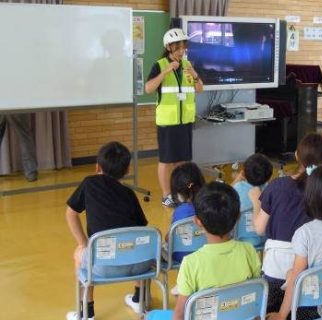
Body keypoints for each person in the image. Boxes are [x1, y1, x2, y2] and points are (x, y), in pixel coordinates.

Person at [249, 132, 322, 318]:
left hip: (277, 272)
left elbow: (259, 229)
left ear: (297, 155)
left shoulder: (277, 186)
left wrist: (257, 203)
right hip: (314, 275)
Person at [64, 142, 149, 320]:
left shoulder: (89, 184)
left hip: (102, 267)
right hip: (138, 267)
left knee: (79, 254)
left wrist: (84, 244)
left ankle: (87, 312)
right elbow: (142, 230)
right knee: (141, 247)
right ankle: (139, 299)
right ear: (127, 170)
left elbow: (71, 214)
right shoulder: (129, 194)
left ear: (97, 167)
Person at [267, 165, 322, 320]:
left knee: (272, 300)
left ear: (311, 197)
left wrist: (281, 315)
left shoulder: (305, 233)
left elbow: (296, 279)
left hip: (311, 305)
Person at [172, 182, 262, 320]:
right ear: (238, 217)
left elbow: (179, 315)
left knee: (151, 315)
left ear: (197, 221)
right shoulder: (249, 251)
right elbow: (256, 294)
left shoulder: (191, 263)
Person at [145, 28, 204, 208]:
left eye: (183, 47)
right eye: (177, 47)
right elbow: (148, 88)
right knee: (166, 160)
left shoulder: (187, 65)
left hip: (185, 120)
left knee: (183, 161)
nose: (181, 50)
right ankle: (166, 195)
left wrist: (195, 76)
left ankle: (181, 192)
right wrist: (166, 72)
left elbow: (199, 88)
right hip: (168, 122)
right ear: (169, 47)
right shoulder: (160, 64)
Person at [167, 162, 205, 263]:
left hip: (181, 257)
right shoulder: (208, 205)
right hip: (205, 253)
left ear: (177, 191)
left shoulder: (179, 211)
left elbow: (170, 237)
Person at [0, 114, 38, 181]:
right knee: (24, 135)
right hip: (15, 104)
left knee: (24, 135)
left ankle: (31, 173)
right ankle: (31, 173)